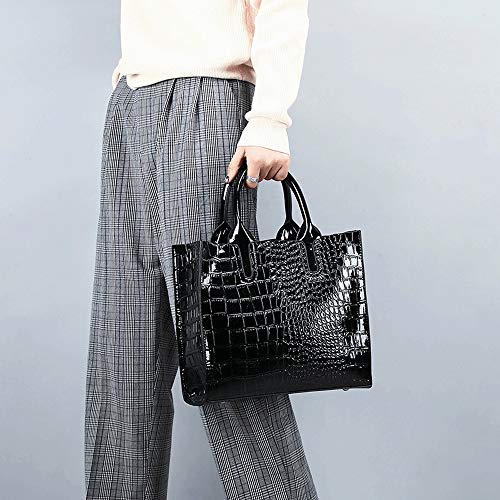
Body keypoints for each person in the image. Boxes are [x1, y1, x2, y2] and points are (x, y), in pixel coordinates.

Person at [84, 1, 318, 499]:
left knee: (225, 349)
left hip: (205, 97)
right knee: (124, 349)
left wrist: (270, 117)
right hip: (132, 101)